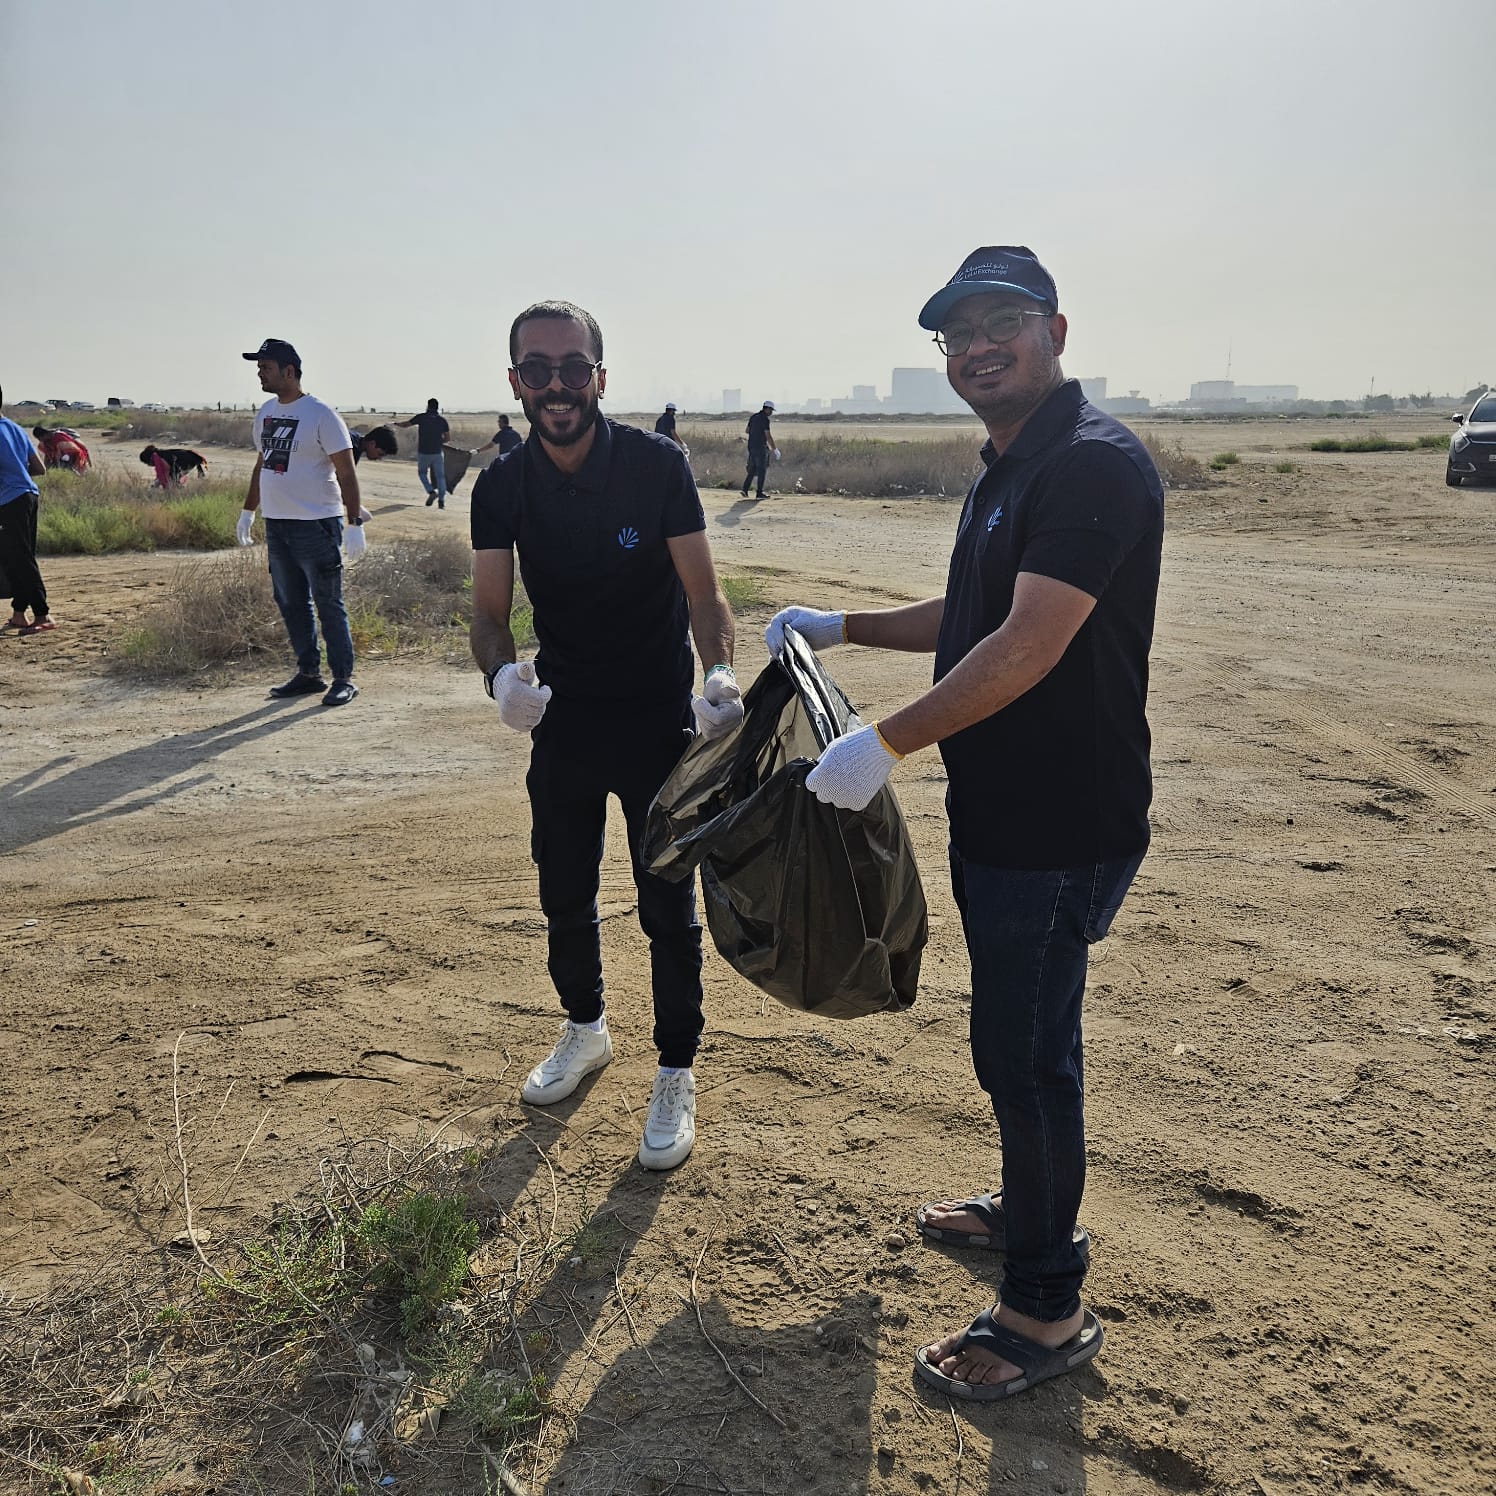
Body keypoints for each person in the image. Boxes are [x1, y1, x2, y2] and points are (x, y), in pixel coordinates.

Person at [765, 246, 1163, 1400]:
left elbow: (1026, 643)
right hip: (1006, 813)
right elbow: (978, 612)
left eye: (1001, 323)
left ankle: (1044, 1303)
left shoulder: (1088, 463)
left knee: (1027, 1057)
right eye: (958, 333)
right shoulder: (1010, 464)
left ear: (1054, 332)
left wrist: (883, 742)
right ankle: (1023, 1208)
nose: (978, 347)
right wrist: (842, 622)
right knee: (1013, 1043)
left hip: (1059, 821)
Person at [469, 299, 743, 1172]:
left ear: (598, 377)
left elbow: (704, 595)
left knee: (667, 903)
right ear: (515, 381)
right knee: (564, 892)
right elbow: (487, 613)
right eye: (537, 369)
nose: (556, 386)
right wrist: (500, 677)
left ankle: (674, 1070)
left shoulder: (656, 465)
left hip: (658, 721)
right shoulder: (502, 486)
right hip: (565, 722)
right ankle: (585, 1029)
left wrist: (718, 674)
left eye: (572, 368)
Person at [235, 338, 367, 707]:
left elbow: (346, 472)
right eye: (259, 368)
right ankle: (309, 674)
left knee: (328, 603)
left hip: (317, 524)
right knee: (291, 601)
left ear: (289, 371)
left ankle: (343, 678)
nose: (260, 374)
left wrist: (354, 522)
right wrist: (248, 511)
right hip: (278, 525)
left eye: (266, 367)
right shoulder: (265, 413)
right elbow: (262, 464)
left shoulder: (321, 415)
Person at [0, 387, 52, 635]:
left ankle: (43, 614)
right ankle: (19, 613)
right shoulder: (15, 428)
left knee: (19, 558)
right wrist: (18, 474)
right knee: (20, 555)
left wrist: (11, 477)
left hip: (10, 500)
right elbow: (40, 468)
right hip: (29, 495)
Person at [396, 398, 450, 507]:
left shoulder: (421, 417)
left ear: (428, 406)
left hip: (424, 451)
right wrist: (438, 442)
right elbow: (447, 438)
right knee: (440, 476)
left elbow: (406, 424)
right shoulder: (442, 420)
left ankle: (431, 491)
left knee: (422, 473)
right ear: (437, 407)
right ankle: (441, 501)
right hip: (437, 452)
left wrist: (395, 424)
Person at [742, 400, 775, 498]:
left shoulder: (753, 417)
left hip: (751, 446)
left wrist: (755, 433)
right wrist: (774, 449)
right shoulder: (765, 419)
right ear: (767, 409)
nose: (771, 412)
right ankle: (759, 492)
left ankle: (745, 489)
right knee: (761, 470)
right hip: (760, 447)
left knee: (752, 469)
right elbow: (768, 436)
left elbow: (747, 430)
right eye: (771, 410)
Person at [139, 445, 209, 486]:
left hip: (189, 459)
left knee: (173, 478)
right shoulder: (160, 453)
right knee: (174, 478)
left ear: (148, 459)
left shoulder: (156, 457)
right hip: (192, 457)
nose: (148, 465)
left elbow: (161, 474)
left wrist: (157, 484)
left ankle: (177, 489)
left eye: (146, 463)